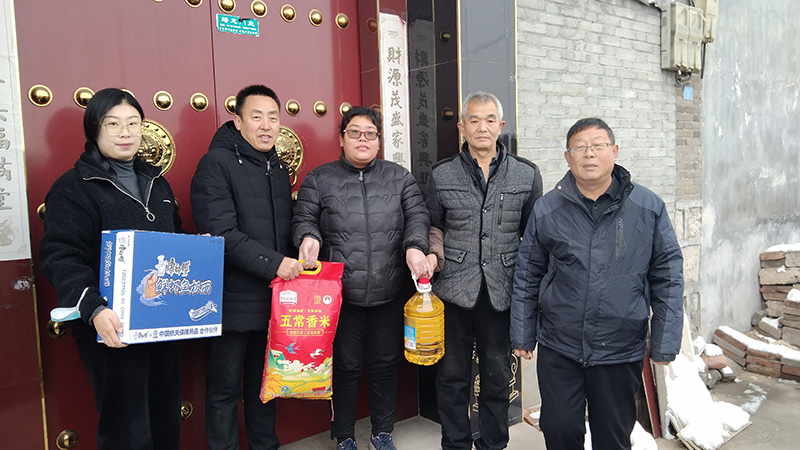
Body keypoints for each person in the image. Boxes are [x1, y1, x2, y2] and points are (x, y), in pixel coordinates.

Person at [510, 117, 684, 450]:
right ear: (568, 157)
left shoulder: (647, 207)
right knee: (559, 430)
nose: (589, 154)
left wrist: (664, 341)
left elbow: (668, 277)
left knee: (613, 438)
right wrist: (522, 333)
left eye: (598, 145)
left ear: (614, 151)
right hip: (560, 345)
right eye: (580, 147)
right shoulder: (547, 209)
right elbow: (528, 273)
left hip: (618, 347)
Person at [39, 88, 183, 449]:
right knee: (126, 428)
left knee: (165, 417)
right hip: (110, 327)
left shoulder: (157, 183)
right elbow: (61, 255)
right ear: (95, 129)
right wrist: (94, 308)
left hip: (160, 323)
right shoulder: (74, 187)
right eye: (113, 124)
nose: (125, 133)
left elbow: (172, 244)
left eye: (133, 123)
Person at [292, 106, 431, 450]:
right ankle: (344, 437)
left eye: (370, 133)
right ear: (341, 139)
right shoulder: (319, 179)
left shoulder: (400, 178)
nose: (362, 139)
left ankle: (382, 433)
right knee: (346, 366)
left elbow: (417, 217)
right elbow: (304, 218)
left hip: (389, 289)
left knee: (385, 364)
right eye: (354, 132)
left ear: (379, 140)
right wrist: (308, 237)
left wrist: (415, 247)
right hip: (340, 296)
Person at [425, 92, 543, 450]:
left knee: (497, 374)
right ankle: (455, 443)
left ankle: (493, 443)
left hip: (501, 291)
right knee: (451, 376)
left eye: (490, 120)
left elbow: (534, 236)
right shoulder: (442, 173)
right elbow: (433, 226)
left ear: (500, 126)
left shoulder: (525, 173)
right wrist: (432, 256)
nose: (482, 127)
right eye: (474, 120)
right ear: (462, 126)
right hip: (453, 290)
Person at [190, 84, 304, 450]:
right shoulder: (216, 164)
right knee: (224, 390)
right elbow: (220, 234)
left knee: (264, 387)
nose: (266, 125)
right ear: (238, 121)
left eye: (273, 117)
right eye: (257, 117)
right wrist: (275, 264)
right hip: (230, 301)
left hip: (272, 302)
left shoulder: (277, 167)